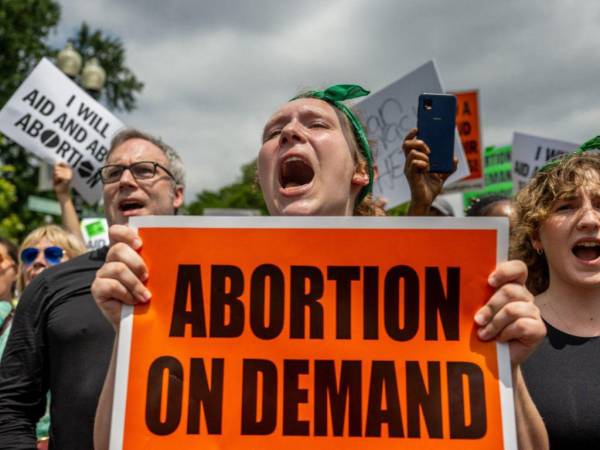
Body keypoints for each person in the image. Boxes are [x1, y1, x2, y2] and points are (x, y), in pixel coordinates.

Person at [92, 85, 547, 450]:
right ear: (262, 176)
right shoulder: (186, 287)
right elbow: (121, 441)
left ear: (360, 171)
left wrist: (506, 367)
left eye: (315, 124)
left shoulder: (435, 298)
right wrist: (131, 332)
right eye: (274, 132)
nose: (290, 134)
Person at [0, 129, 185, 450]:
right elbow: (11, 405)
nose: (126, 180)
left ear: (177, 194)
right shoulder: (51, 284)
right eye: (113, 173)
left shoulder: (220, 278)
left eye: (144, 170)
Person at [511, 138, 600, 450]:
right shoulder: (508, 333)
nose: (589, 220)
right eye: (566, 207)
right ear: (536, 235)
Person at [3, 226, 87, 450]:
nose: (38, 262)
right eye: (29, 256)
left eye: (53, 254)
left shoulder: (96, 325)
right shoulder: (4, 323)